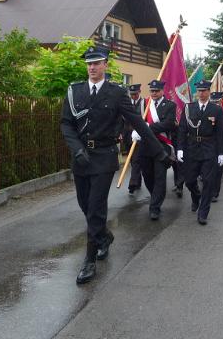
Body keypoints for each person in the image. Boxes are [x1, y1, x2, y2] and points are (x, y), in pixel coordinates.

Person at [61, 45, 170, 284]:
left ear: (105, 65)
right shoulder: (75, 91)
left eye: (96, 63)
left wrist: (159, 151)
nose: (92, 67)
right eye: (89, 63)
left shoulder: (117, 93)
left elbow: (138, 123)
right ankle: (104, 236)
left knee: (95, 207)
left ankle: (89, 260)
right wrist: (77, 149)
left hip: (104, 156)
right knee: (84, 204)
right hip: (81, 157)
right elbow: (66, 124)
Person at [177, 80, 223, 225]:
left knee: (208, 182)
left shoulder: (216, 110)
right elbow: (182, 130)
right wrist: (180, 148)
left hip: (209, 148)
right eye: (199, 90)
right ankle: (196, 196)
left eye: (204, 90)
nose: (201, 93)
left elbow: (220, 133)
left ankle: (203, 213)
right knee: (189, 181)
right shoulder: (189, 108)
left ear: (209, 92)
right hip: (192, 148)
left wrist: (221, 153)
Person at [133, 80, 177, 220]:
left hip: (161, 145)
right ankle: (155, 196)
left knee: (159, 176)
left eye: (156, 91)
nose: (154, 93)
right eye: (152, 91)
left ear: (162, 91)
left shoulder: (170, 105)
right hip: (145, 146)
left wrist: (147, 128)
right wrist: (135, 130)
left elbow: (168, 124)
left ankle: (155, 207)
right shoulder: (144, 104)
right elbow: (136, 119)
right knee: (147, 175)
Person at [122, 84, 144, 194]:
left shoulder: (144, 103)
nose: (133, 96)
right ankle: (138, 181)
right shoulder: (127, 103)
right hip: (127, 135)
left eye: (135, 94)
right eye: (131, 94)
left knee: (136, 159)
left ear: (139, 92)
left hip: (139, 135)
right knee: (131, 159)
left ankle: (133, 182)